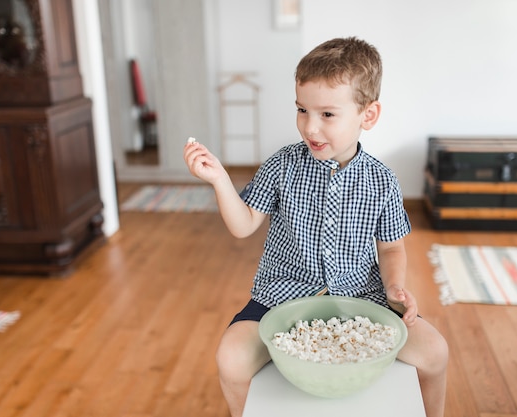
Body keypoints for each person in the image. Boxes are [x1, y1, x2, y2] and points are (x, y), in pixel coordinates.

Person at [183, 37, 448, 417]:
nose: (310, 127)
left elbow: (391, 248)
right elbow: (243, 225)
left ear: (367, 116)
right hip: (281, 298)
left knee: (435, 352)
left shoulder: (382, 180)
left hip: (364, 298)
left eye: (327, 114)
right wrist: (220, 180)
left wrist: (393, 287)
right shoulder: (282, 165)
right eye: (302, 109)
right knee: (231, 358)